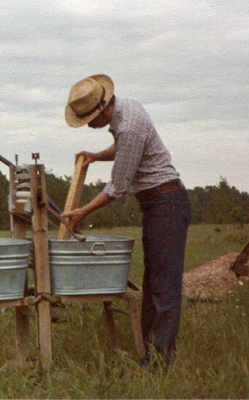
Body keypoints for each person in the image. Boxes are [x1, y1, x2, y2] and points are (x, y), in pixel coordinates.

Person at [61, 74, 191, 367]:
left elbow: (118, 187)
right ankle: (147, 351)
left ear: (103, 109)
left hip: (166, 204)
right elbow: (124, 149)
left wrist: (83, 212)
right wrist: (95, 156)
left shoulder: (129, 126)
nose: (90, 126)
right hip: (159, 204)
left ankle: (159, 364)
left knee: (164, 286)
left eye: (89, 121)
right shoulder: (127, 109)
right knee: (154, 280)